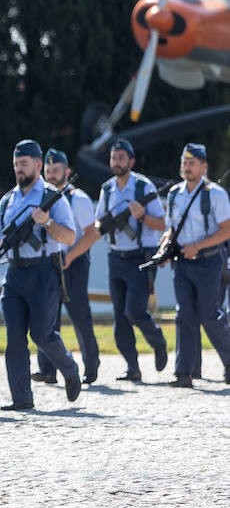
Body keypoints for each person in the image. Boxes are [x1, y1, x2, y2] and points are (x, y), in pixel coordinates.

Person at [0, 139, 82, 411]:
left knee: (42, 334)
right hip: (14, 274)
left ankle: (69, 368)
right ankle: (22, 398)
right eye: (16, 164)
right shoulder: (8, 200)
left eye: (23, 164)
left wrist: (46, 222)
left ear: (38, 165)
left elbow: (70, 235)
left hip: (44, 271)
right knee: (14, 337)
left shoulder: (51, 196)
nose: (19, 169)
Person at [93, 139, 169, 381]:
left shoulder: (143, 188)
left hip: (141, 257)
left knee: (134, 311)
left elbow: (163, 223)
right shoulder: (107, 189)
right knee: (119, 317)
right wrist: (104, 225)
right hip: (116, 257)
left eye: (121, 158)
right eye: (113, 158)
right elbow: (98, 223)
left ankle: (158, 342)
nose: (116, 163)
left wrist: (142, 216)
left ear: (131, 161)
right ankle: (132, 367)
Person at [160, 143, 230, 388]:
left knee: (210, 316)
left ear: (204, 166)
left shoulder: (215, 194)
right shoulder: (175, 194)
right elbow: (171, 228)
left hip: (209, 262)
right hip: (182, 264)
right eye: (184, 163)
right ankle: (184, 373)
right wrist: (165, 247)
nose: (186, 167)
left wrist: (198, 246)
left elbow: (227, 230)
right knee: (184, 316)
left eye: (192, 163)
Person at [33, 149, 101, 385]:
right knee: (47, 316)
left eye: (56, 171)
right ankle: (47, 369)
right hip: (50, 261)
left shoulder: (78, 198)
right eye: (48, 171)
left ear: (67, 172)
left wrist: (70, 256)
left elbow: (92, 235)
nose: (51, 175)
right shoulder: (40, 196)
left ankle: (91, 366)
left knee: (79, 315)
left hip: (75, 261)